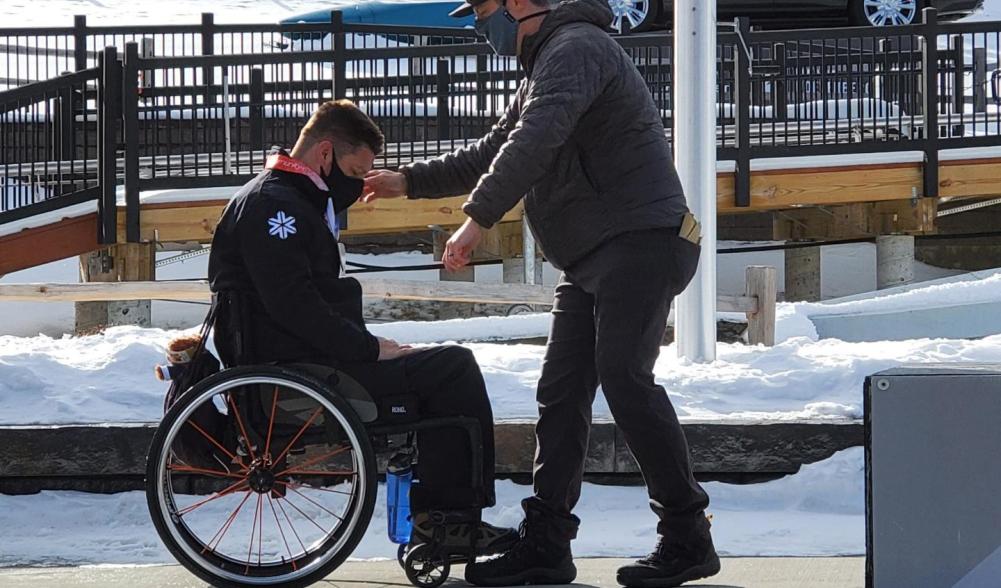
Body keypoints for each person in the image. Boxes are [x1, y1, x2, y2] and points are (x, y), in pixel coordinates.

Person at [362, 0, 719, 586]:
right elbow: (494, 151)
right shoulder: (551, 62)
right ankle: (547, 544)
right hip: (594, 255)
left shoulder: (578, 47)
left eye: (483, 11)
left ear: (521, 5)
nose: (480, 25)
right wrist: (409, 180)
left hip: (641, 239)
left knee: (624, 377)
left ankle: (687, 535)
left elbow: (536, 139)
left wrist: (478, 218)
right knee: (560, 394)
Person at [207, 99, 516, 555]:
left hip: (304, 359)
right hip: (299, 372)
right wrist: (369, 349)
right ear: (325, 154)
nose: (356, 187)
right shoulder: (278, 208)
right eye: (355, 173)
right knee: (454, 370)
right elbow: (295, 307)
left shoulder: (284, 199)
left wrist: (368, 346)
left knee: (440, 370)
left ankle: (445, 519)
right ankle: (450, 524)